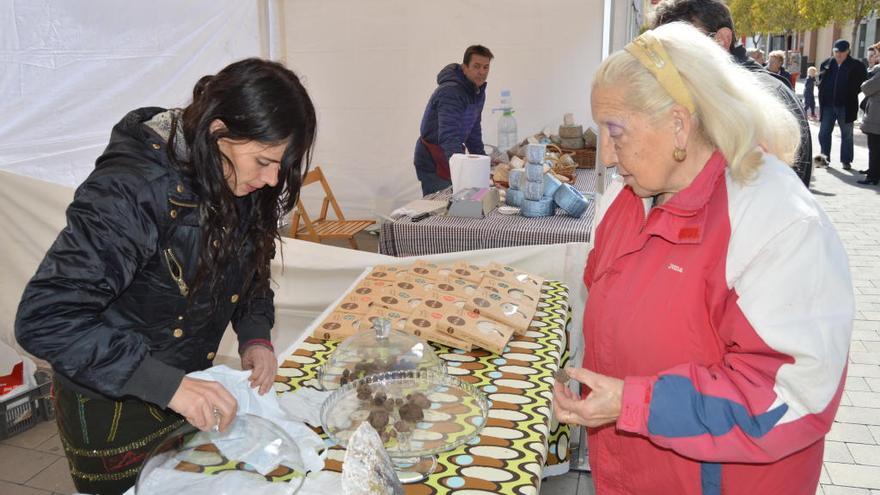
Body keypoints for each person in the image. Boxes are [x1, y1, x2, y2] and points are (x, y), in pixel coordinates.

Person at [553, 23, 853, 494]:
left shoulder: (775, 218)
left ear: (679, 122)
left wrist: (637, 404)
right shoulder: (626, 200)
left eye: (615, 131)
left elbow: (793, 395)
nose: (607, 155)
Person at [14, 58, 317, 494]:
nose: (271, 180)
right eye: (264, 161)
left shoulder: (233, 177)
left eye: (281, 165)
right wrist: (165, 385)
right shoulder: (130, 188)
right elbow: (45, 318)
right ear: (217, 132)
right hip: (111, 401)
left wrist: (255, 336)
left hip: (184, 384)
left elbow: (250, 271)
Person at [651, 0, 813, 188]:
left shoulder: (760, 95)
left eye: (680, 46)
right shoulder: (726, 90)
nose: (670, 60)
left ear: (722, 39)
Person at [413, 45, 492, 195]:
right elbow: (449, 136)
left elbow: (473, 132)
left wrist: (484, 165)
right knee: (440, 209)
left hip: (450, 155)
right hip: (432, 159)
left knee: (460, 204)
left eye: (486, 67)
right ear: (464, 68)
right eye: (476, 66)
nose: (482, 72)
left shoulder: (477, 92)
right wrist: (462, 174)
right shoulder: (451, 92)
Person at [817, 39, 868, 170]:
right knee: (823, 133)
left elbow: (862, 83)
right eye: (836, 51)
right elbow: (821, 81)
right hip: (828, 105)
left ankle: (846, 161)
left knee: (847, 135)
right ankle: (824, 159)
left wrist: (850, 92)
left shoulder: (857, 65)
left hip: (846, 106)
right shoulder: (826, 63)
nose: (838, 54)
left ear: (848, 51)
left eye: (842, 52)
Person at [858, 42, 880, 185]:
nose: (876, 56)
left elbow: (867, 87)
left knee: (875, 146)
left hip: (877, 114)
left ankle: (873, 176)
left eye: (877, 53)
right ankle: (873, 171)